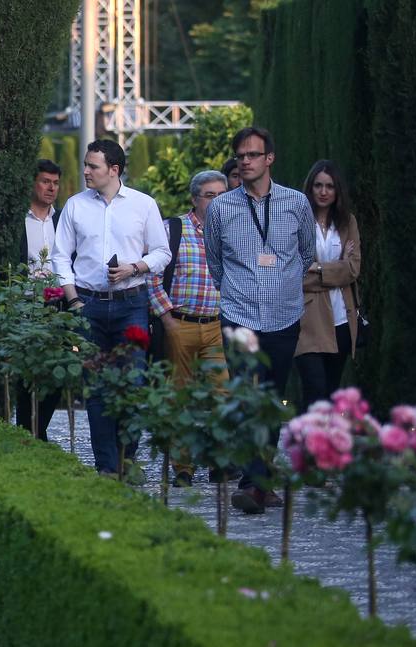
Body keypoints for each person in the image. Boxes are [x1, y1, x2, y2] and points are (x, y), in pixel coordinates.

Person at [204, 126, 316, 513]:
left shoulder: (296, 203)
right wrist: (240, 287)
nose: (245, 161)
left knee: (272, 398)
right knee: (245, 395)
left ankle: (261, 480)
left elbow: (305, 253)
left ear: (269, 159)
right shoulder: (221, 208)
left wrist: (282, 285)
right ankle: (254, 482)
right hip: (238, 313)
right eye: (240, 156)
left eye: (252, 155)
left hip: (284, 315)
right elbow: (215, 261)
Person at [51, 139, 171, 476]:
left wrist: (134, 268)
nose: (85, 171)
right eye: (86, 164)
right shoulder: (75, 206)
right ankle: (107, 467)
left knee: (132, 384)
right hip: (87, 303)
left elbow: (162, 253)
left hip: (131, 304)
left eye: (93, 166)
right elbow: (61, 256)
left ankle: (126, 459)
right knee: (97, 388)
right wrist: (73, 299)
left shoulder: (143, 205)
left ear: (114, 170)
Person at [148, 170, 230, 486]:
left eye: (222, 195)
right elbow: (152, 277)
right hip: (179, 323)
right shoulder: (174, 230)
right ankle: (183, 467)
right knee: (178, 397)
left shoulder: (232, 231)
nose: (217, 201)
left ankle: (218, 462)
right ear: (195, 198)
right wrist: (166, 319)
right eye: (210, 195)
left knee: (221, 395)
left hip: (216, 327)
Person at [295, 160, 362, 407]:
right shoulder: (296, 222)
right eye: (318, 185)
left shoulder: (347, 222)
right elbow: (294, 274)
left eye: (330, 186)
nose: (323, 192)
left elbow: (353, 269)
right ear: (310, 188)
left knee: (332, 391)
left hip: (342, 318)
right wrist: (337, 269)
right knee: (314, 388)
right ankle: (305, 443)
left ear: (337, 191)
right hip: (307, 318)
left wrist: (317, 267)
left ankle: (326, 444)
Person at [18, 159, 63, 438]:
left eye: (56, 183)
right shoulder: (19, 220)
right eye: (46, 181)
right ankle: (28, 431)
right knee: (26, 374)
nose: (51, 188)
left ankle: (39, 429)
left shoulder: (63, 221)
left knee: (56, 372)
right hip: (23, 305)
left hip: (57, 306)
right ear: (33, 182)